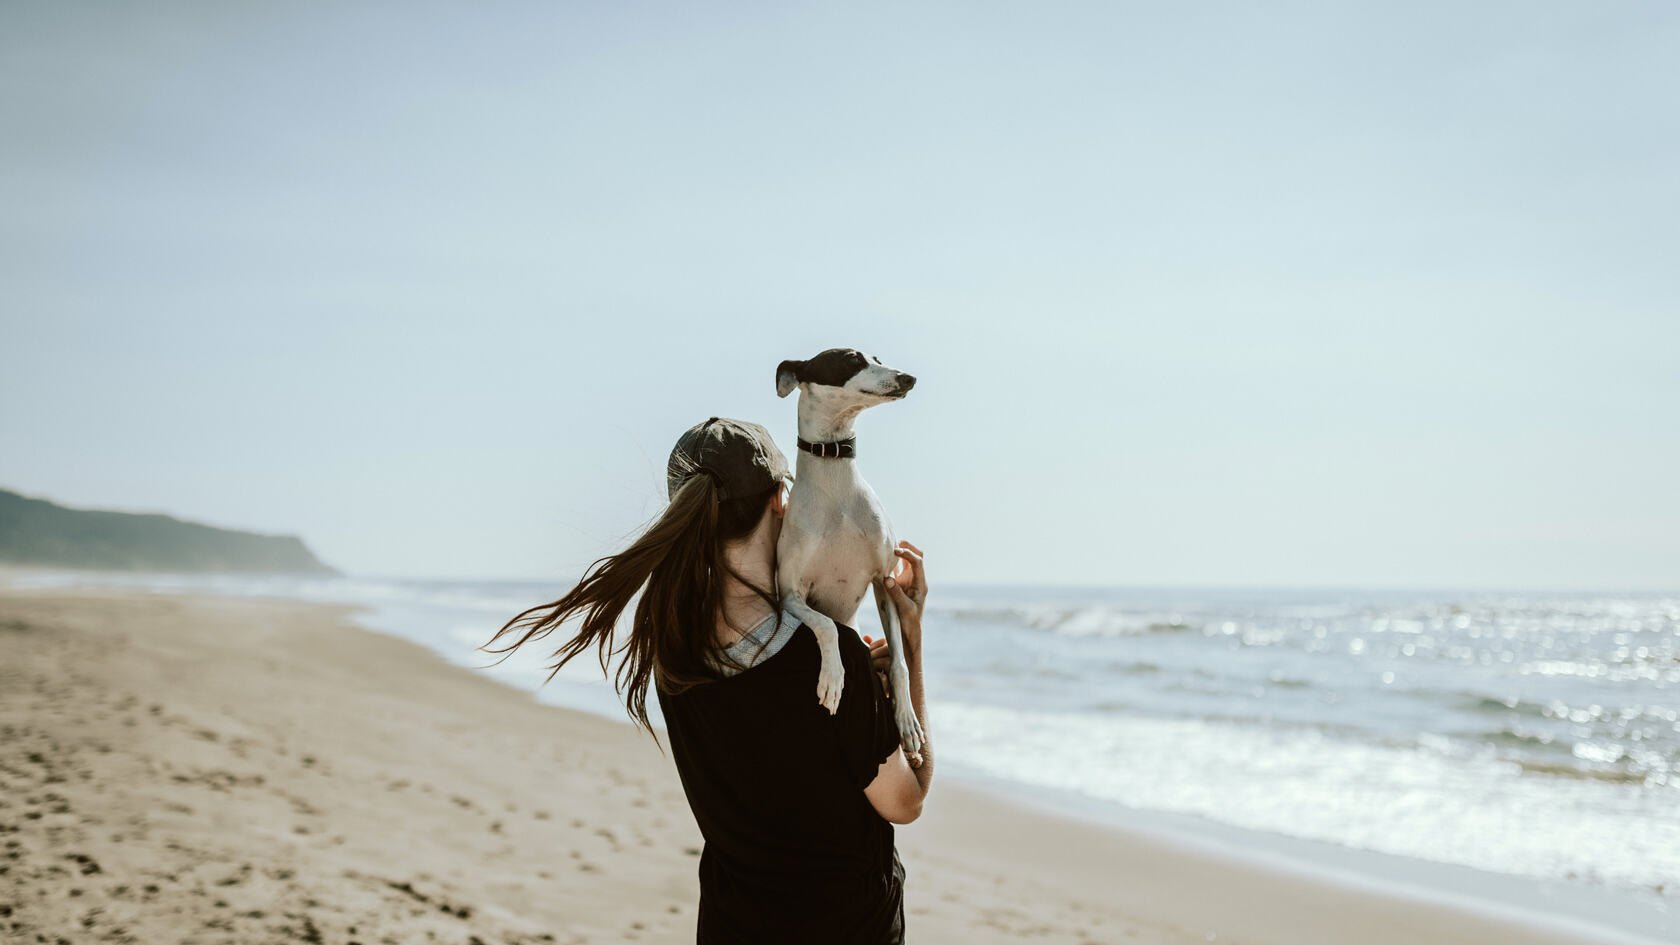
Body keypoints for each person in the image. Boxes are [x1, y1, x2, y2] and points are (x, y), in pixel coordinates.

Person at [481, 417, 933, 944]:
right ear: (781, 501)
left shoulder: (672, 647)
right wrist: (911, 646)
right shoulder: (829, 654)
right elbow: (907, 801)